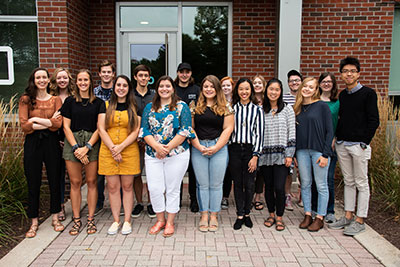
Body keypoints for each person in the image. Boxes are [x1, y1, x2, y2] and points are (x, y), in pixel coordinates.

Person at [328, 57, 379, 236]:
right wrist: (336, 138)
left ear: (358, 73)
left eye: (352, 71)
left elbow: (374, 120)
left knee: (361, 182)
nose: (348, 74)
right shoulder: (343, 95)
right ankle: (348, 216)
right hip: (343, 144)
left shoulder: (368, 93)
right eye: (345, 71)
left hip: (359, 146)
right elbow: (342, 119)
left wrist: (365, 142)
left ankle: (360, 219)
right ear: (341, 74)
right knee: (348, 181)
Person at [140, 75, 195, 237]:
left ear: (173, 88)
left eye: (167, 86)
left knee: (172, 188)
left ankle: (170, 222)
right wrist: (157, 147)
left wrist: (168, 148)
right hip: (153, 154)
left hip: (177, 154)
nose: (164, 89)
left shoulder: (181, 107)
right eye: (161, 86)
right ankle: (160, 220)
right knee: (155, 188)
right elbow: (145, 131)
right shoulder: (149, 107)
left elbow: (185, 130)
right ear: (157, 89)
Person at [19, 67, 64, 238]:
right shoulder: (26, 100)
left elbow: (58, 125)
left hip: (51, 143)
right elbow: (24, 126)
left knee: (54, 179)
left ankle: (55, 218)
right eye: (38, 77)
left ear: (48, 80)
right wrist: (48, 122)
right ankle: (34, 221)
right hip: (32, 143)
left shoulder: (56, 100)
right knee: (33, 182)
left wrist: (35, 119)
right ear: (34, 80)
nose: (41, 80)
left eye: (44, 77)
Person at [61, 69, 103, 235]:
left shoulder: (99, 102)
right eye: (80, 80)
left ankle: (91, 219)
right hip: (73, 142)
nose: (83, 83)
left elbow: (100, 128)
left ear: (90, 82)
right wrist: (76, 148)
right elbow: (66, 126)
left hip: (92, 142)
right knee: (76, 182)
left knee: (92, 182)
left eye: (86, 80)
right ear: (76, 82)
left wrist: (87, 147)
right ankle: (77, 219)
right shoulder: (70, 102)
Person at [98, 75, 141, 235]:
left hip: (128, 150)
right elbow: (101, 129)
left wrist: (121, 147)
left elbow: (136, 130)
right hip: (108, 151)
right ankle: (116, 220)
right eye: (118, 85)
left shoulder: (134, 106)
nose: (121, 88)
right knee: (112, 187)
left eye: (124, 85)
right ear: (114, 88)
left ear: (128, 88)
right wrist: (113, 148)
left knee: (127, 186)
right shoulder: (105, 105)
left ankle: (127, 220)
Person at [191, 75, 234, 232]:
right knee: (202, 184)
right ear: (202, 89)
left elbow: (228, 129)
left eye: (212, 86)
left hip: (219, 148)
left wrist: (216, 147)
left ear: (217, 89)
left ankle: (214, 215)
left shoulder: (226, 107)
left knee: (216, 185)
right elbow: (191, 128)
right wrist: (198, 145)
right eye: (206, 86)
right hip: (199, 148)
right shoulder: (195, 107)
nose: (209, 89)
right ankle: (204, 215)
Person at [293, 77, 333, 232]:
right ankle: (308, 214)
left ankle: (320, 217)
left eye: (311, 87)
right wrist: (295, 154)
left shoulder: (322, 106)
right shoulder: (297, 108)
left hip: (319, 151)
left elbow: (330, 131)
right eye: (305, 86)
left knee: (321, 185)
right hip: (302, 151)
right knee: (306, 183)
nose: (307, 89)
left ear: (316, 89)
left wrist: (325, 154)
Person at [259, 78, 296, 231]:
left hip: (282, 155)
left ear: (280, 92)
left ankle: (280, 217)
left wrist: (289, 154)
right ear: (266, 91)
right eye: (271, 89)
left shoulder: (287, 109)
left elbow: (292, 132)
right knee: (268, 187)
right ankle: (271, 214)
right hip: (265, 155)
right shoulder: (261, 110)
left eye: (277, 90)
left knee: (280, 188)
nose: (273, 92)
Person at [229, 78, 264, 230]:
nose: (244, 92)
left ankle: (248, 213)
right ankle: (239, 214)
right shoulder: (232, 108)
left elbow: (259, 134)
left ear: (251, 91)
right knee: (237, 183)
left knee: (249, 183)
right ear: (237, 91)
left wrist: (256, 155)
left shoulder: (257, 110)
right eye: (241, 89)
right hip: (235, 149)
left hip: (250, 150)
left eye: (247, 89)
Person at [311, 72, 340, 223]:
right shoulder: (313, 101)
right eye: (324, 81)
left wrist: (334, 139)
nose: (326, 84)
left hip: (330, 145)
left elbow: (340, 123)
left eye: (329, 81)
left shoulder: (337, 103)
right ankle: (315, 208)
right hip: (314, 145)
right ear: (319, 84)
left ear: (333, 84)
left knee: (327, 179)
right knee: (315, 179)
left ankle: (329, 210)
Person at [49, 67, 75, 222]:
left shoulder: (74, 97)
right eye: (59, 78)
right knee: (58, 175)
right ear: (55, 80)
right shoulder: (51, 98)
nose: (62, 80)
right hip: (55, 140)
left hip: (71, 140)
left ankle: (75, 206)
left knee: (73, 176)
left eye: (65, 77)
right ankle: (60, 206)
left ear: (69, 79)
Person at [174, 62, 200, 213]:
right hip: (175, 136)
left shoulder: (196, 90)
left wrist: (192, 133)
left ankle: (194, 200)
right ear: (178, 73)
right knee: (176, 171)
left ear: (190, 74)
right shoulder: (172, 89)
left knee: (193, 171)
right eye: (181, 72)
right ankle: (176, 200)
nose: (184, 74)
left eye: (187, 72)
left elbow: (198, 112)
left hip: (191, 136)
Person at [131, 65, 156, 218]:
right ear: (135, 77)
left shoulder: (154, 96)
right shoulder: (130, 95)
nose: (143, 78)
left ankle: (152, 204)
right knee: (136, 174)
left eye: (146, 75)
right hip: (133, 140)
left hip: (151, 140)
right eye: (140, 75)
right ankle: (139, 203)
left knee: (152, 174)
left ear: (149, 78)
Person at [94, 60, 115, 216]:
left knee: (117, 171)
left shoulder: (120, 91)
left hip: (116, 137)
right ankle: (99, 202)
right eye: (104, 72)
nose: (106, 74)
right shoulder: (93, 93)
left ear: (113, 74)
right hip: (97, 136)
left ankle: (118, 203)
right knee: (99, 173)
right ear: (99, 74)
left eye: (109, 72)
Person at [282, 70, 303, 211]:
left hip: (303, 137)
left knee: (302, 169)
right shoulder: (284, 99)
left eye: (296, 80)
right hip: (288, 138)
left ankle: (302, 196)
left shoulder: (306, 97)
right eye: (291, 81)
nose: (294, 83)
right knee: (288, 170)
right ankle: (287, 196)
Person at [252, 75, 267, 211]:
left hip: (266, 139)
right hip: (251, 139)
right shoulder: (249, 100)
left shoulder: (267, 101)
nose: (257, 85)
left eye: (259, 83)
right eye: (255, 83)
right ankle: (249, 195)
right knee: (251, 169)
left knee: (261, 170)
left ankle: (258, 197)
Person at [220, 76, 234, 209]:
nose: (226, 88)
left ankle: (225, 197)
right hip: (219, 141)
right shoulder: (217, 102)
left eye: (228, 85)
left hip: (232, 142)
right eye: (223, 85)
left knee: (228, 171)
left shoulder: (236, 102)